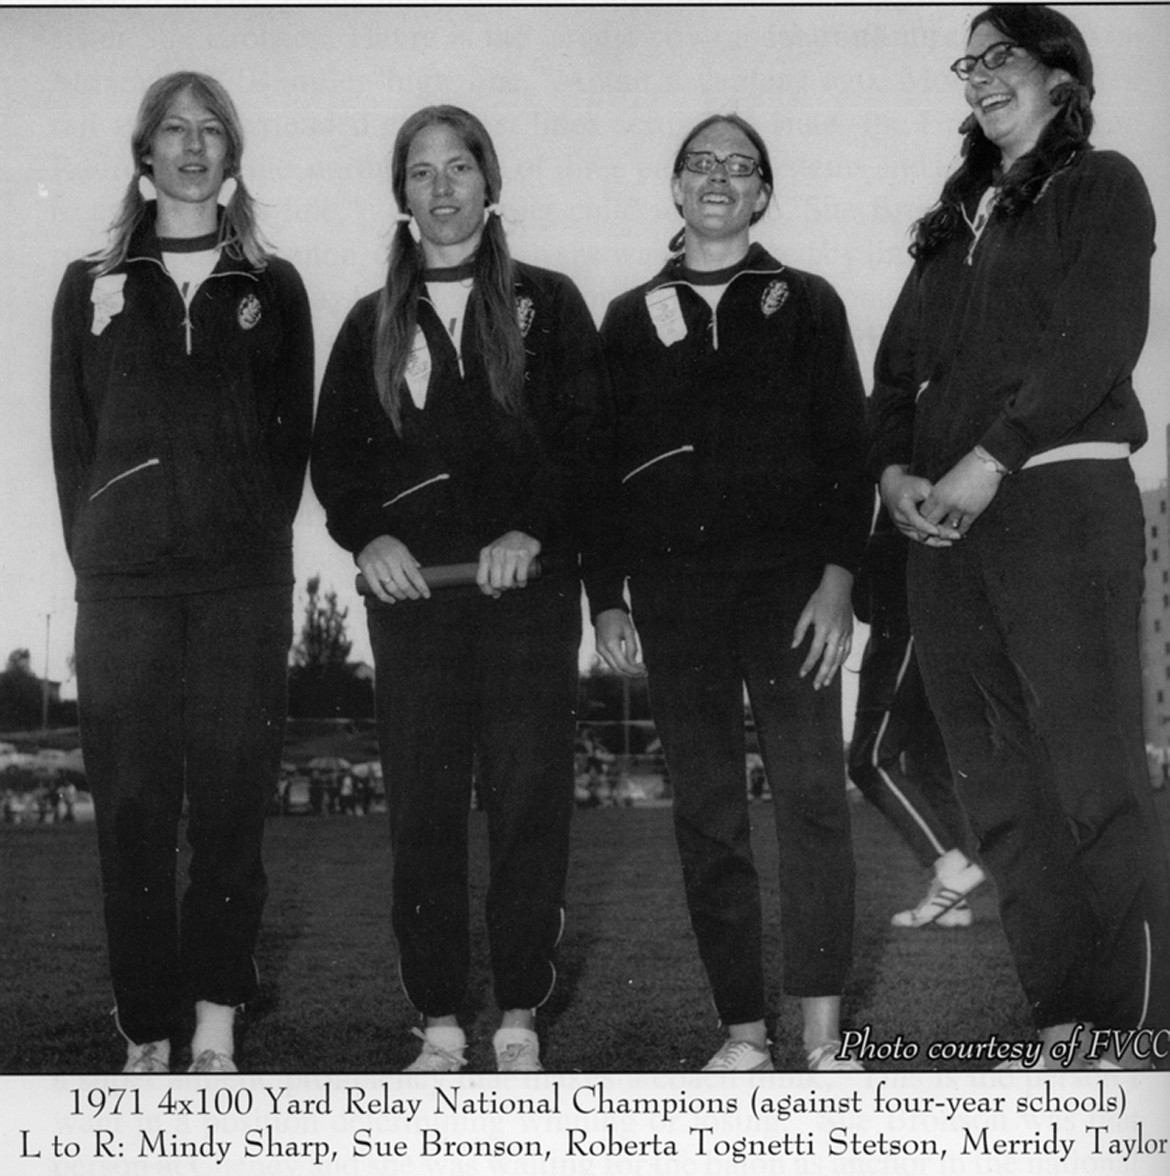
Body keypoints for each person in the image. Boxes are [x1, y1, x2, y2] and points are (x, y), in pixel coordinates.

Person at [869, 5, 1170, 1068]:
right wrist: (898, 471)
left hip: (1054, 501)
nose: (981, 75)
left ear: (1060, 75)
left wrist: (990, 454)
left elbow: (1097, 339)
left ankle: (1141, 1028)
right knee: (999, 789)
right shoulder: (951, 224)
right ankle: (1062, 1020)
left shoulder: (1103, 184)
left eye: (1003, 56)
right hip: (946, 533)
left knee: (1093, 773)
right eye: (970, 61)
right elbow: (893, 373)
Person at [311, 105, 608, 1073]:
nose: (442, 189)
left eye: (459, 168)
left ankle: (518, 1010)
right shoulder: (370, 322)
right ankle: (439, 1019)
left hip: (526, 600)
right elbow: (336, 466)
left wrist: (535, 529)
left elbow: (583, 446)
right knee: (424, 815)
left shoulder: (549, 304)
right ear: (402, 194)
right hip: (416, 607)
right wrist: (372, 535)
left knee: (528, 804)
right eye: (422, 173)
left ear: (491, 181)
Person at [592, 114, 871, 1072]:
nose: (719, 176)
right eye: (700, 163)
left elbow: (850, 456)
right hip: (675, 596)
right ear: (675, 189)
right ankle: (744, 1032)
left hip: (793, 591)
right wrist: (606, 597)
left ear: (761, 195)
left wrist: (840, 579)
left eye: (739, 165)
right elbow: (601, 471)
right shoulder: (627, 317)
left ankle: (825, 1035)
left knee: (809, 800)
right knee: (707, 810)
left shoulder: (809, 302)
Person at [50, 72, 313, 1074]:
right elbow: (73, 442)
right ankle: (146, 1025)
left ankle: (214, 1014)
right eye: (174, 131)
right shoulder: (91, 285)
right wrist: (111, 549)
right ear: (144, 153)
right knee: (130, 813)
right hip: (123, 591)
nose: (193, 147)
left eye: (212, 132)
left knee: (233, 806)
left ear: (231, 154)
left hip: (241, 588)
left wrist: (242, 532)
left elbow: (290, 441)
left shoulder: (271, 286)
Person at [848, 507, 985, 928]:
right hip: (938, 638)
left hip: (902, 635)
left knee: (869, 761)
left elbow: (866, 606)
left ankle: (951, 868)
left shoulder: (896, 503)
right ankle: (953, 900)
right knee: (928, 769)